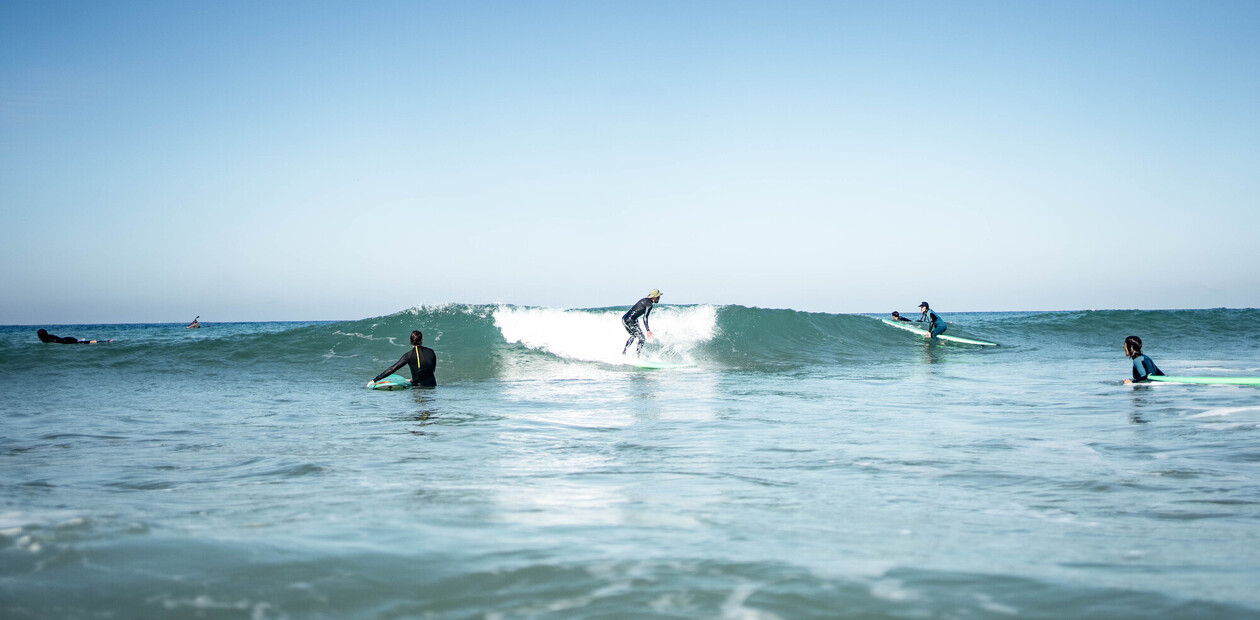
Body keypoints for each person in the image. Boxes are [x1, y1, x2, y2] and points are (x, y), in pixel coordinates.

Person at [371, 330, 437, 387]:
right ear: (421, 340)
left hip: (419, 389)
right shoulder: (431, 352)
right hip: (433, 388)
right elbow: (431, 370)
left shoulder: (409, 355)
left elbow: (392, 369)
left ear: (410, 341)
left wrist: (375, 380)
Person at [622, 289, 661, 356]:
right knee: (642, 338)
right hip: (630, 320)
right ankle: (638, 355)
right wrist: (648, 330)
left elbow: (635, 311)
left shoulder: (644, 300)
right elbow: (645, 317)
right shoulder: (649, 304)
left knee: (633, 335)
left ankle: (624, 353)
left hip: (625, 318)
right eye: (658, 297)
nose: (659, 298)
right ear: (655, 297)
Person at [36, 329, 108, 344]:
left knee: (84, 343)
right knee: (82, 342)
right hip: (67, 338)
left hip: (68, 341)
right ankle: (105, 341)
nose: (38, 337)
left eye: (39, 335)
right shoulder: (49, 336)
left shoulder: (46, 339)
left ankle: (105, 341)